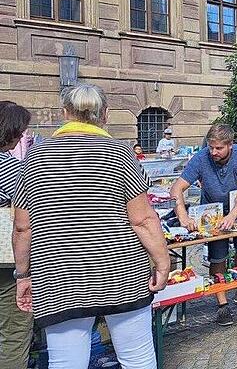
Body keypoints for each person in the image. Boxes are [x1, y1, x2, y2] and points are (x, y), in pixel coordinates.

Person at [12, 84, 169, 368]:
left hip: (58, 276)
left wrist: (23, 275)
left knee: (66, 362)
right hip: (121, 273)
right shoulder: (121, 153)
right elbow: (143, 219)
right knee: (137, 358)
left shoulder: (36, 156)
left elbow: (23, 227)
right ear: (105, 115)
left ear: (64, 113)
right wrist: (162, 262)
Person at [171, 124, 237, 326]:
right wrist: (183, 215)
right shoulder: (201, 158)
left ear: (230, 146)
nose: (214, 152)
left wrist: (233, 214)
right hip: (211, 213)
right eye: (211, 147)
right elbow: (177, 188)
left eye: (219, 148)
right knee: (218, 257)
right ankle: (222, 303)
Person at [0, 102, 32, 369]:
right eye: (19, 132)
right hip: (6, 258)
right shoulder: (10, 168)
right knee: (13, 331)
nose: (22, 137)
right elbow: (30, 212)